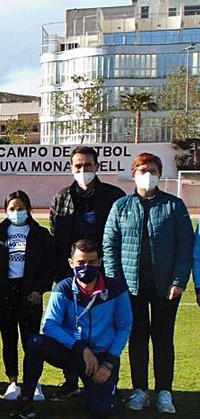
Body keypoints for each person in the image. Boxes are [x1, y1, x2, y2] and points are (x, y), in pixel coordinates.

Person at [103, 152, 193, 415]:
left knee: (163, 339)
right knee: (137, 338)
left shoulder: (174, 206)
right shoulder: (121, 206)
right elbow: (110, 246)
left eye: (153, 170)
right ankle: (139, 390)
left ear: (160, 173)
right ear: (134, 173)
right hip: (131, 288)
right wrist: (115, 282)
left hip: (166, 287)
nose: (148, 175)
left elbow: (185, 246)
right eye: (142, 170)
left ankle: (164, 392)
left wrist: (178, 280)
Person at [11, 240, 132, 419]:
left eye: (91, 262)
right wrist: (81, 348)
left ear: (100, 262)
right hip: (74, 352)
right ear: (71, 263)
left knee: (102, 412)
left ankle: (107, 390)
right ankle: (26, 398)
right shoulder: (64, 288)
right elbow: (50, 325)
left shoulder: (115, 289)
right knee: (36, 343)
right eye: (81, 263)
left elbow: (124, 327)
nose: (86, 267)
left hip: (101, 358)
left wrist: (109, 362)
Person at [49, 146, 125, 398]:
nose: (83, 171)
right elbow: (55, 238)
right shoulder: (61, 197)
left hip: (103, 273)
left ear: (97, 166)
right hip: (70, 274)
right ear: (71, 168)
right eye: (78, 166)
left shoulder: (114, 196)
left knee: (106, 325)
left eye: (88, 166)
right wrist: (61, 273)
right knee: (71, 325)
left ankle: (108, 371)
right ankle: (71, 379)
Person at [0, 191, 53, 401]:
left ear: (29, 209)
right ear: (6, 211)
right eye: (12, 209)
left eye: (21, 208)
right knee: (9, 339)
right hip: (6, 294)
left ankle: (34, 383)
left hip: (29, 293)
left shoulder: (40, 234)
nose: (17, 212)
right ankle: (13, 382)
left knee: (31, 340)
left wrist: (39, 290)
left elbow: (47, 267)